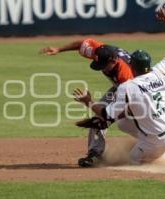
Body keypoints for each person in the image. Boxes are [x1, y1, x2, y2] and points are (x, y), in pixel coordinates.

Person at [73, 6, 165, 166]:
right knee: (124, 123)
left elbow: (106, 114)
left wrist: (88, 101)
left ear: (131, 66)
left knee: (134, 160)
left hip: (160, 135)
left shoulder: (127, 86)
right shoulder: (161, 70)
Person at [40, 36, 134, 167]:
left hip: (138, 93)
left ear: (113, 61)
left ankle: (150, 144)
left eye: (103, 66)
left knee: (127, 119)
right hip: (119, 87)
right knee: (99, 113)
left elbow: (129, 105)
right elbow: (81, 44)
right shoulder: (101, 52)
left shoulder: (125, 76)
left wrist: (108, 117)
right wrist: (59, 49)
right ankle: (95, 154)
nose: (102, 69)